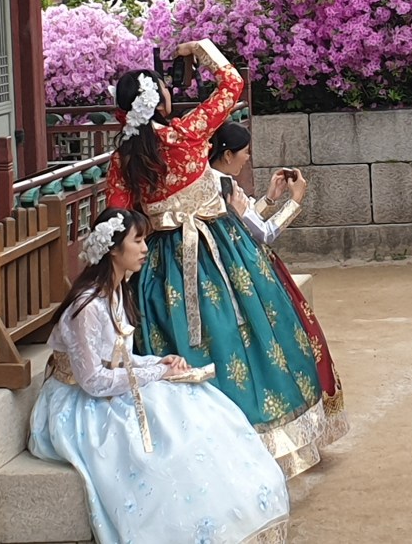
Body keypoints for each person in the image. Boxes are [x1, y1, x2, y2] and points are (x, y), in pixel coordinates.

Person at [104, 40, 328, 477]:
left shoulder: (123, 159)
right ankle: (269, 439)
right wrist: (199, 49)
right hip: (222, 249)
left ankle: (201, 452)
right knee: (249, 332)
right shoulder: (188, 132)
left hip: (161, 267)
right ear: (159, 102)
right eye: (165, 88)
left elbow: (119, 217)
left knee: (181, 347)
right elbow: (232, 82)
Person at [28, 208, 290, 544]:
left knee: (198, 407)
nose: (144, 249)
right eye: (137, 241)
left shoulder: (116, 290)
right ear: (113, 249)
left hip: (111, 386)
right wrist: (156, 373)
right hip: (79, 402)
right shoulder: (87, 307)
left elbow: (118, 358)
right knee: (164, 442)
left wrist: (157, 362)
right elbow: (93, 381)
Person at [209, 121, 349, 444]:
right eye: (245, 153)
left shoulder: (215, 181)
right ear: (228, 155)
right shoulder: (223, 185)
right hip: (248, 274)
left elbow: (245, 223)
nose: (247, 158)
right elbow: (263, 233)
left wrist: (270, 199)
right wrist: (295, 202)